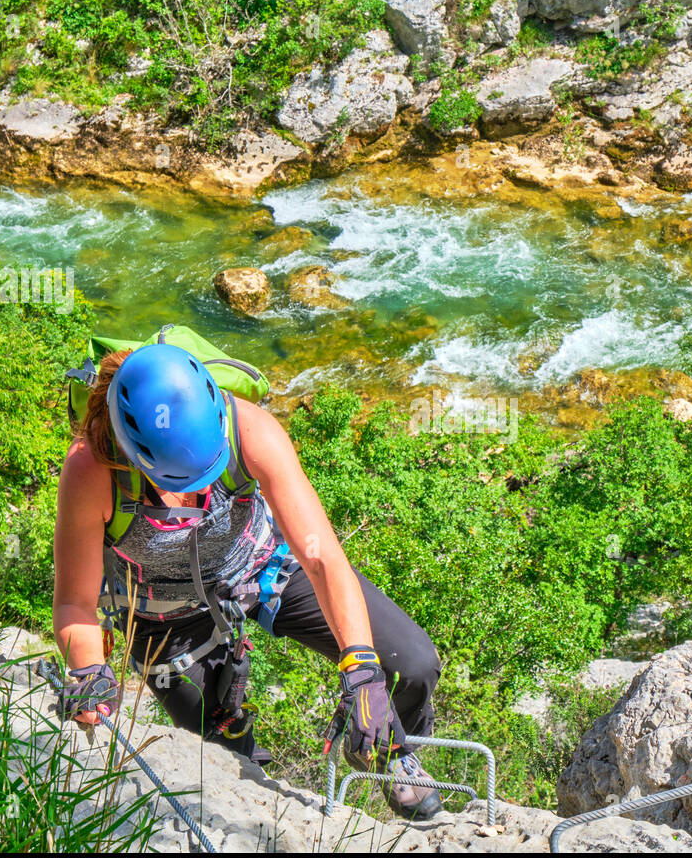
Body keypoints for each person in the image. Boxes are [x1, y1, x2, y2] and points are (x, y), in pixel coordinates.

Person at [51, 341, 443, 819]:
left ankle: (388, 748)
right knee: (216, 746)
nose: (202, 490)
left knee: (411, 663)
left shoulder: (248, 428)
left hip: (261, 564)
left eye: (211, 469)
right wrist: (90, 671)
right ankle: (248, 758)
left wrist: (361, 668)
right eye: (182, 481)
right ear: (138, 457)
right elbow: (74, 602)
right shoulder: (92, 470)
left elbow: (321, 557)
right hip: (162, 614)